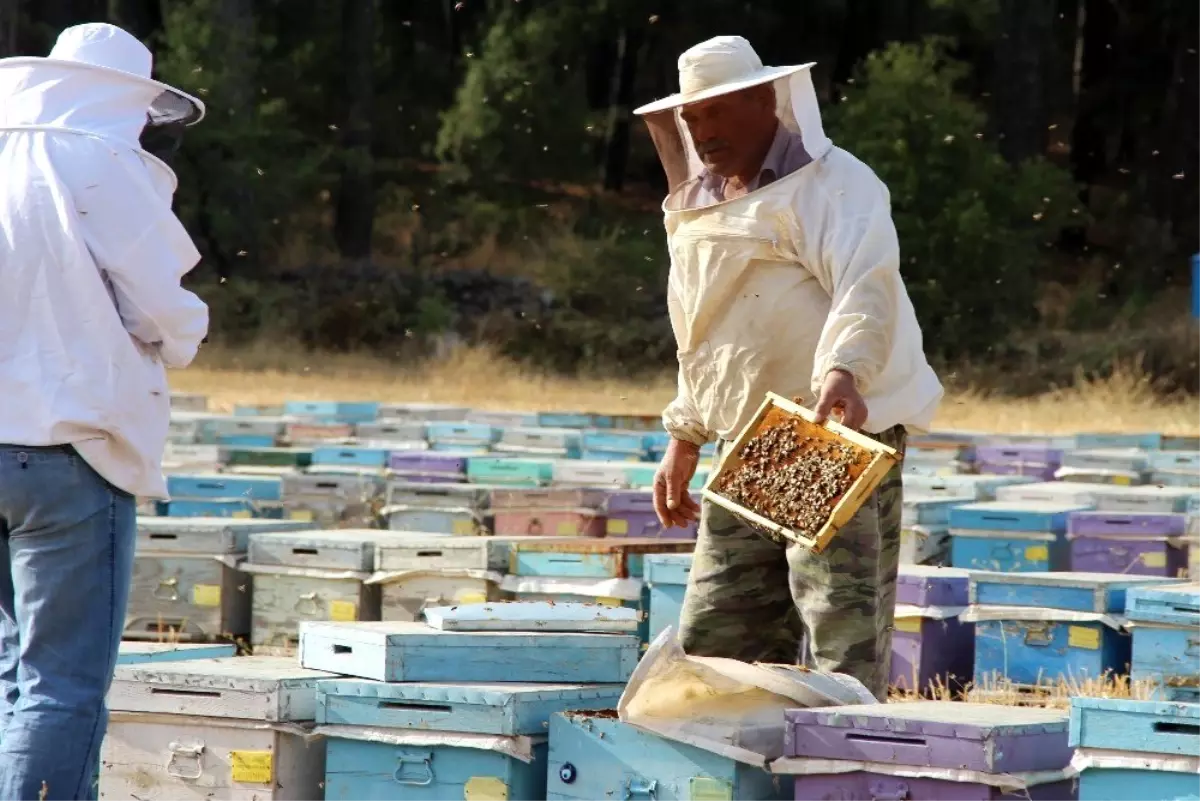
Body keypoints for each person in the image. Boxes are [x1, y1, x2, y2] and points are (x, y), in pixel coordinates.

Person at [635, 36, 944, 700]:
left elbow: (867, 283)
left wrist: (844, 371)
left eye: (716, 113)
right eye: (691, 119)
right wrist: (685, 434)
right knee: (717, 642)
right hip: (747, 445)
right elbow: (707, 330)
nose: (703, 131)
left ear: (761, 99)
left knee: (842, 643)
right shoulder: (702, 202)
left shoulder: (837, 185)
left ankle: (842, 770)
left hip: (825, 433)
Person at [0, 22, 208, 798]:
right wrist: (183, 335)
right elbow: (163, 306)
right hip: (67, 452)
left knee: (16, 674)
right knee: (62, 685)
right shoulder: (101, 162)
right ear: (121, 98)